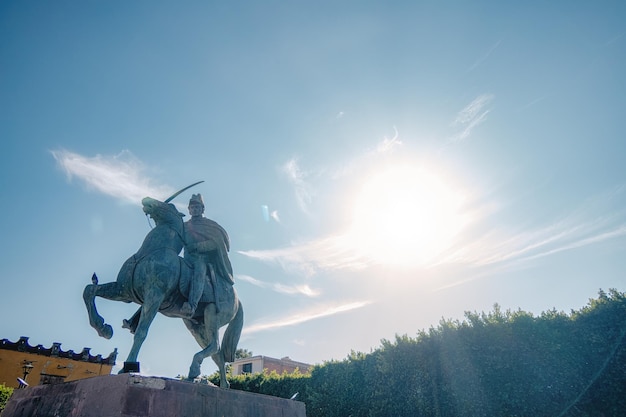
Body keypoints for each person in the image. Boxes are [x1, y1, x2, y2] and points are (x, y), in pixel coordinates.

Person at [180, 193, 234, 318]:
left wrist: (198, 246)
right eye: (192, 208)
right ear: (189, 210)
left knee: (199, 271)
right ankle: (137, 318)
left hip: (201, 259)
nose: (194, 210)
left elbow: (217, 243)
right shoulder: (184, 226)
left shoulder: (210, 225)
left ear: (202, 209)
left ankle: (192, 305)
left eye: (197, 207)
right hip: (186, 259)